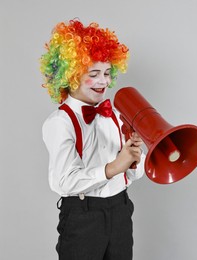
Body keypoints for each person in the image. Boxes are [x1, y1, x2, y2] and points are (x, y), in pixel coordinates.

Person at [40, 19, 145, 260]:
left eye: (107, 73)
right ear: (71, 76)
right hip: (83, 217)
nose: (104, 81)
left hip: (120, 211)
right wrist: (113, 167)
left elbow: (132, 175)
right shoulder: (61, 122)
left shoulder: (117, 114)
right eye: (94, 73)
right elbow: (64, 182)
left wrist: (133, 160)